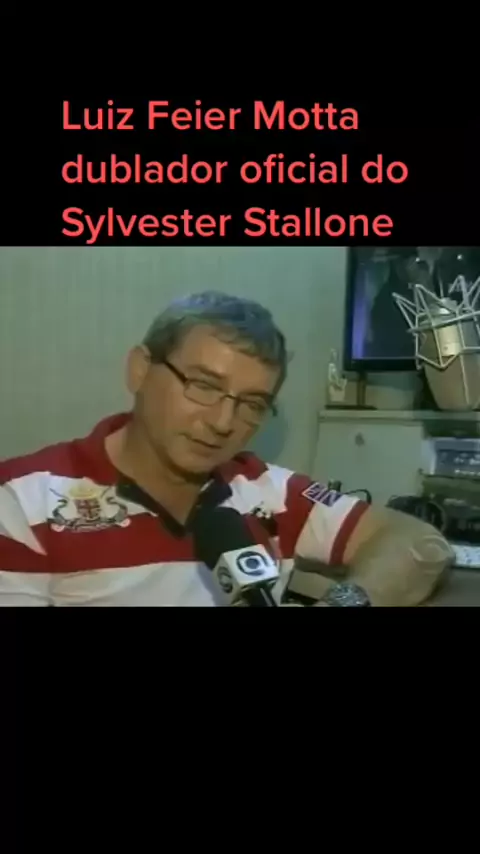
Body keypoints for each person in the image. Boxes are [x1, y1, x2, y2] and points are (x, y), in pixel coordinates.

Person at [0, 291, 453, 606]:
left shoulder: (267, 490)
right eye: (203, 385)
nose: (222, 423)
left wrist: (345, 602)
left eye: (252, 404)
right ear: (140, 370)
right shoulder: (21, 502)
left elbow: (420, 542)